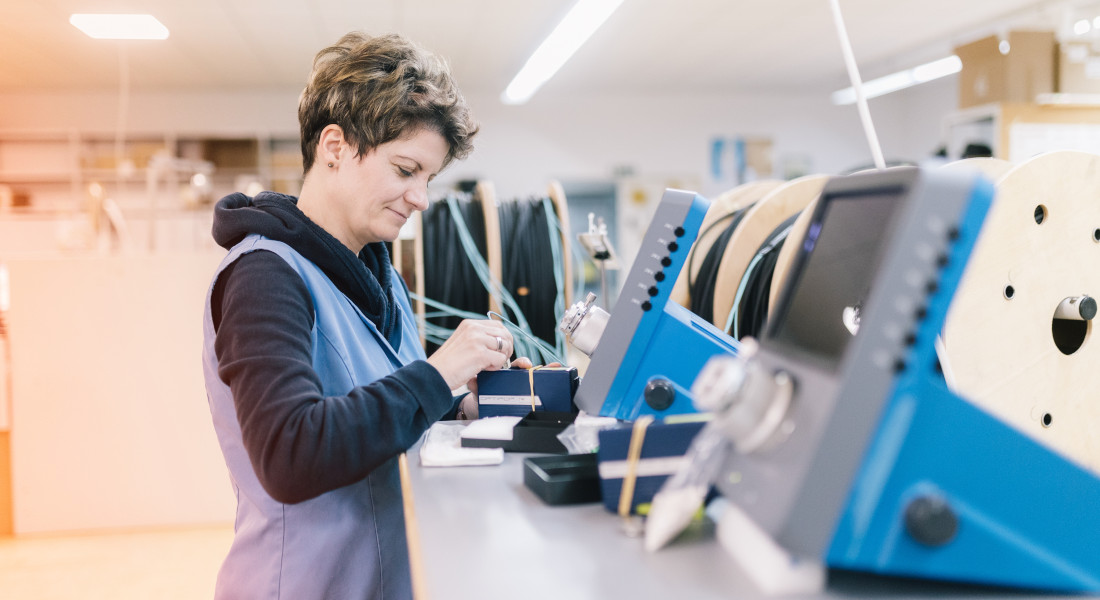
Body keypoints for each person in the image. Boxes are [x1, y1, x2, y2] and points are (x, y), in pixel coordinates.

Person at [201, 32, 523, 599]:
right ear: (334, 147)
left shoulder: (378, 273)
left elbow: (380, 402)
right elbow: (290, 453)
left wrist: (464, 398)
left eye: (429, 177)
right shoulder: (263, 276)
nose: (421, 197)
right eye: (405, 169)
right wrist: (437, 373)